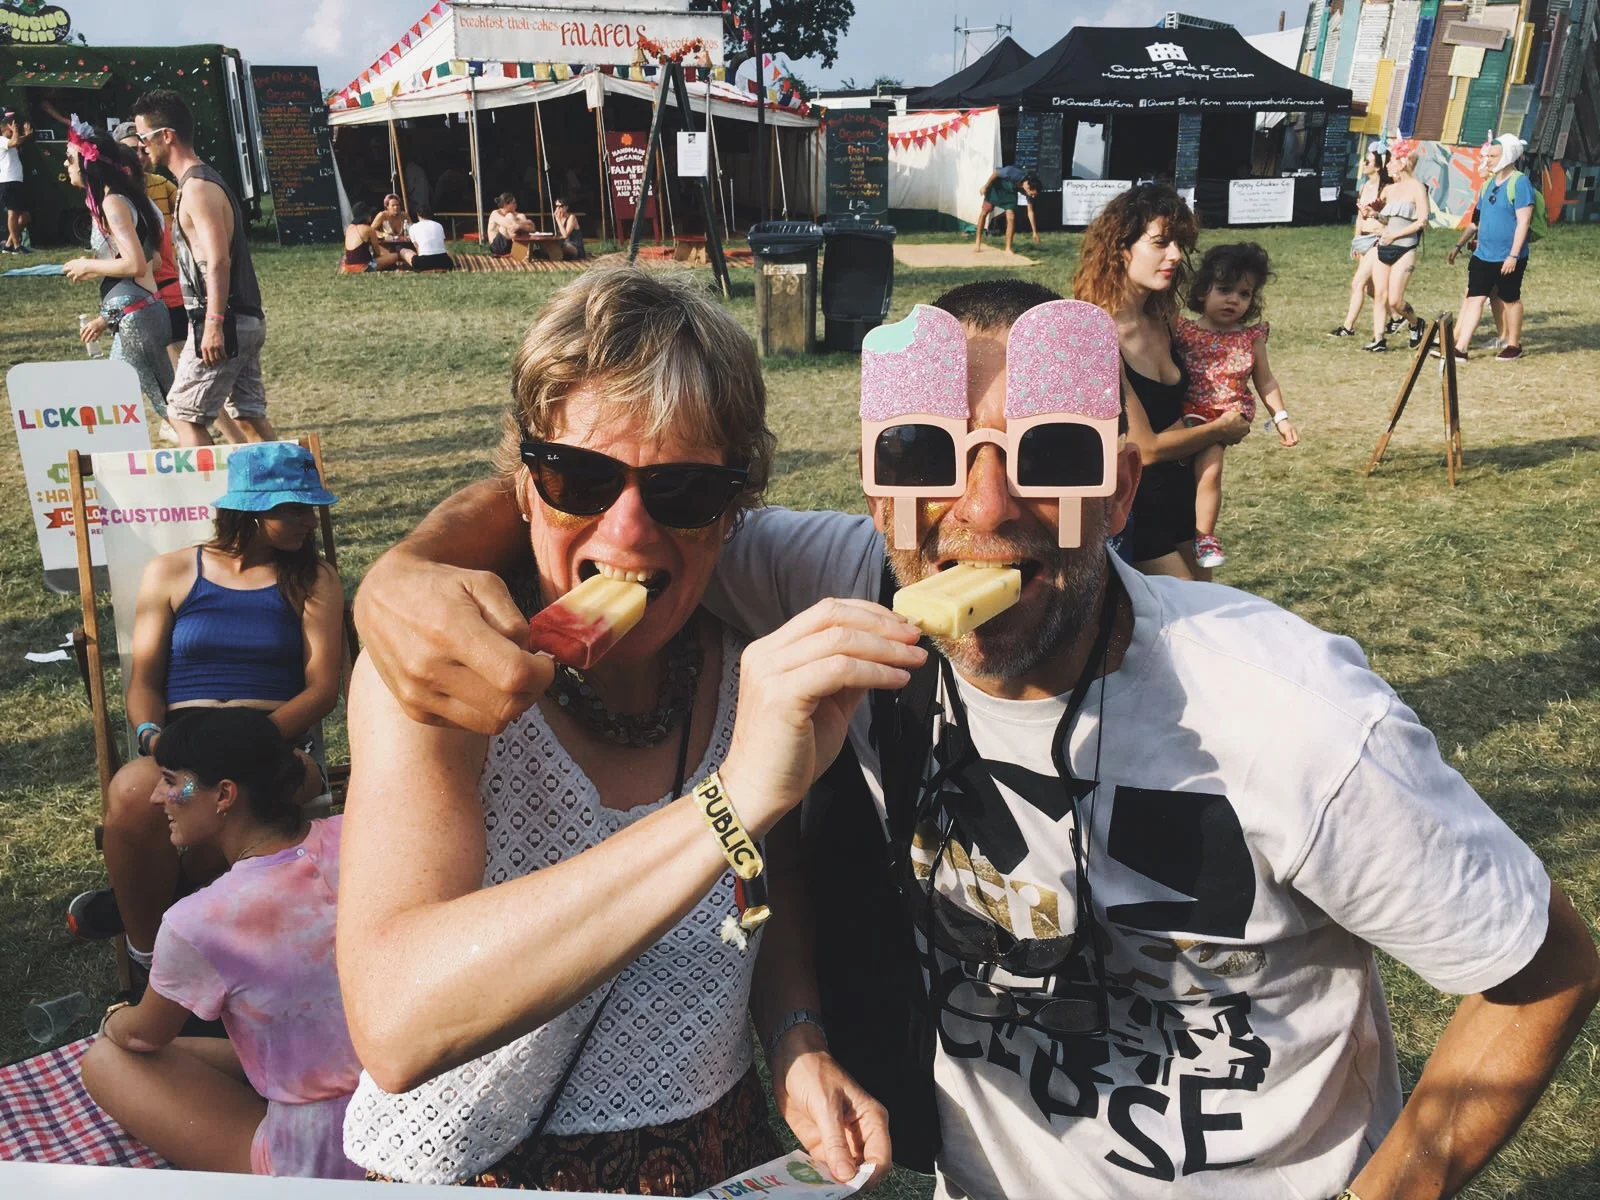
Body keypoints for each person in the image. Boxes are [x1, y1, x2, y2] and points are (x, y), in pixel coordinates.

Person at [351, 275, 1600, 1200]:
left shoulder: (1295, 717)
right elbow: (606, 504)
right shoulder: (834, 581)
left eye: (1047, 459)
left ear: (1118, 491)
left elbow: (1539, 965)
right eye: (927, 457)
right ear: (875, 483)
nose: (984, 512)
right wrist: (401, 572)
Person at [337, 268, 898, 1194]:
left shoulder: (744, 655)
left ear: (735, 512)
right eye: (580, 477)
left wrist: (796, 1039)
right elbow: (396, 1022)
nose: (627, 532)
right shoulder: (441, 666)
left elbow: (774, 870)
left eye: (682, 492)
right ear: (523, 486)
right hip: (470, 1170)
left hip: (714, 1147)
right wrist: (729, 802)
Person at [65, 443, 345, 984]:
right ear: (250, 511)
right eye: (293, 509)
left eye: (309, 508)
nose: (308, 520)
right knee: (137, 794)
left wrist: (248, 738)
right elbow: (144, 681)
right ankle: (153, 964)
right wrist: (152, 738)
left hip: (272, 744)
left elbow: (322, 689)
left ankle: (147, 900)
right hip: (183, 749)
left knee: (224, 803)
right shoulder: (171, 571)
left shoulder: (314, 579)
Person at [80, 708, 364, 1179]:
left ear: (225, 795)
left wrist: (114, 1021)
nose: (156, 796)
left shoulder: (199, 920)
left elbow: (142, 1035)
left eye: (172, 781)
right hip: (411, 1101)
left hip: (320, 1161)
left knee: (107, 1059)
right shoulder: (354, 836)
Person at [1073, 184, 1249, 580]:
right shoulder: (1096, 332)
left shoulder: (1166, 319)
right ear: (1121, 247)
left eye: (1178, 245)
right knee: (1192, 620)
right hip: (1137, 509)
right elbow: (1146, 448)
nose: (1174, 255)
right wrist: (1222, 428)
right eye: (1160, 243)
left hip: (1183, 501)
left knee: (1205, 606)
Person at [131, 89, 274, 447]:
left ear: (167, 136)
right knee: (249, 418)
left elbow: (218, 258)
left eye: (144, 138)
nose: (141, 147)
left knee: (183, 416)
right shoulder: (200, 181)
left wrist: (213, 325)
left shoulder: (197, 187)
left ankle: (213, 503)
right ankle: (294, 498)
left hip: (224, 322)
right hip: (241, 319)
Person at [1173, 243, 1297, 570]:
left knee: (1211, 471)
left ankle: (1205, 536)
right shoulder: (1184, 330)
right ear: (1202, 291)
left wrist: (1281, 419)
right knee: (1182, 477)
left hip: (1224, 417)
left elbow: (1265, 380)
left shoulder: (1251, 336)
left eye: (1243, 294)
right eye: (1224, 290)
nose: (1233, 300)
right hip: (1185, 411)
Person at [60, 125, 175, 424]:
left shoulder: (113, 202)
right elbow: (151, 261)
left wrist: (89, 265)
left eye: (70, 158)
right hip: (135, 313)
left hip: (138, 316)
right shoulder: (121, 199)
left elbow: (137, 264)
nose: (65, 164)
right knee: (131, 404)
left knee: (168, 407)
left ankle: (209, 459)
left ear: (88, 164)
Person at [1441, 133, 1536, 363]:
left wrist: (1513, 255)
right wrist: (1460, 245)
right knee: (1475, 297)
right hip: (1483, 255)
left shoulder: (1519, 182)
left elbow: (1524, 221)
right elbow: (1478, 221)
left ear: (1508, 156)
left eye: (1493, 156)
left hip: (1508, 256)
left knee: (1509, 298)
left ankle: (1513, 344)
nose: (1489, 160)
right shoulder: (1488, 185)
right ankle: (1461, 348)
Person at [114, 119, 186, 377]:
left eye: (140, 149)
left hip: (162, 292)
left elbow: (149, 260)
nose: (137, 156)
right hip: (145, 298)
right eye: (128, 151)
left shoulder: (148, 191)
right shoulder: (121, 199)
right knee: (172, 385)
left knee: (178, 383)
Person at [1364, 141, 1429, 353]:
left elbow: (1422, 221)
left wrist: (1395, 235)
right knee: (1380, 295)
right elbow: (1388, 219)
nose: (1389, 165)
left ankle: (1415, 323)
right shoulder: (1390, 190)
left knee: (1395, 301)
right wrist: (1373, 215)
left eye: (1392, 160)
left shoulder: (1417, 188)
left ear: (1403, 163)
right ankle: (1379, 338)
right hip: (1385, 246)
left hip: (1405, 248)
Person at [1329, 140, 1388, 338]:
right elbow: (1360, 217)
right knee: (1372, 288)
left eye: (1368, 162)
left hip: (1377, 240)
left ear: (1378, 166)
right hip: (1364, 239)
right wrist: (1356, 239)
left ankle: (1348, 327)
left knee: (1358, 283)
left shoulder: (1385, 190)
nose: (1363, 165)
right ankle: (1398, 316)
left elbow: (1390, 219)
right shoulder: (1365, 187)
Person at [974, 165, 1040, 255]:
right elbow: (995, 174)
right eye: (1033, 194)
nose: (1032, 196)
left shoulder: (1027, 192)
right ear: (1029, 186)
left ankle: (1008, 248)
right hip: (997, 188)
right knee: (985, 211)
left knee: (1011, 216)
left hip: (1010, 194)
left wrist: (1034, 232)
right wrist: (985, 186)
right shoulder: (1013, 173)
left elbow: (1030, 212)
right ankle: (978, 241)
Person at [0, 109, 33, 252]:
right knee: (12, 214)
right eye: (12, 127)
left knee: (25, 216)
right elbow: (14, 142)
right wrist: (15, 132)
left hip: (16, 180)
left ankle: (8, 245)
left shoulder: (9, 140)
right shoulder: (2, 140)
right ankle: (17, 246)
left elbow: (17, 141)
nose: (15, 129)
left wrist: (27, 134)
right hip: (8, 181)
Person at [341, 202, 400, 272]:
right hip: (365, 267)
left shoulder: (349, 228)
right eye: (370, 213)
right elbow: (377, 253)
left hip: (348, 266)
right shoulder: (369, 229)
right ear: (365, 215)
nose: (371, 215)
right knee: (395, 256)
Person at [401, 207, 451, 272]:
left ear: (418, 215)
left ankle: (426, 268)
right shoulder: (439, 225)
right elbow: (442, 244)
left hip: (424, 262)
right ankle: (437, 268)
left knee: (402, 250)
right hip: (444, 261)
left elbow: (417, 248)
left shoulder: (413, 227)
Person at [486, 192, 533, 257]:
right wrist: (525, 224)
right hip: (498, 247)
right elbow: (511, 226)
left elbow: (532, 228)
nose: (516, 205)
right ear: (505, 205)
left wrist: (521, 226)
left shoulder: (516, 214)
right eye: (513, 203)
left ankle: (522, 250)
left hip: (510, 243)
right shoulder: (495, 213)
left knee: (521, 216)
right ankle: (522, 249)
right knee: (510, 216)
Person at [550, 196, 585, 261]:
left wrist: (557, 219)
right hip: (563, 243)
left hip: (574, 245)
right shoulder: (560, 218)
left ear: (566, 207)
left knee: (564, 247)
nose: (558, 209)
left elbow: (565, 235)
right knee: (549, 245)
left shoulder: (571, 217)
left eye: (560, 206)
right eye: (556, 206)